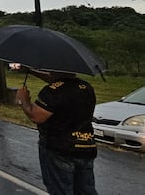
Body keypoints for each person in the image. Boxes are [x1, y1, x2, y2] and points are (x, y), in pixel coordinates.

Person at [15, 66, 98, 195]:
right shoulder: (86, 87)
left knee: (61, 190)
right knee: (86, 191)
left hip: (59, 149)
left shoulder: (52, 91)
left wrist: (24, 100)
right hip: (86, 146)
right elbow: (62, 82)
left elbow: (36, 116)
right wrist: (31, 71)